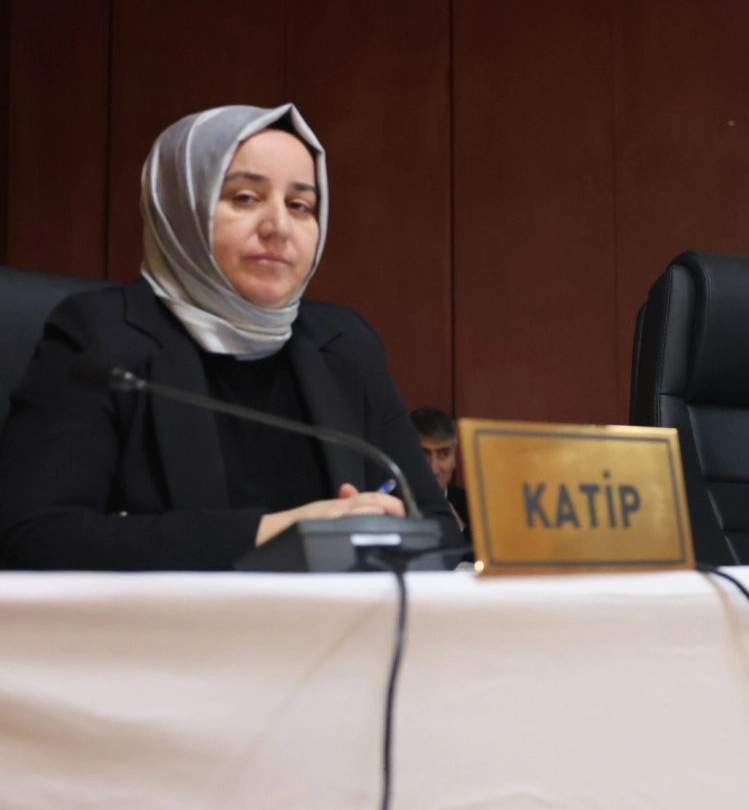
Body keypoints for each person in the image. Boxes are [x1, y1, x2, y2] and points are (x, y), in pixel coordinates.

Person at [0, 104, 462, 570]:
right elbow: (32, 534)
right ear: (180, 206)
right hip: (170, 619)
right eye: (245, 198)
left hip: (334, 617)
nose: (278, 227)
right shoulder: (102, 336)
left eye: (300, 206)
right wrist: (281, 531)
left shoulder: (345, 344)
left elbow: (438, 529)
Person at [411, 406, 470, 529]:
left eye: (443, 454)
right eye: (423, 454)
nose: (433, 469)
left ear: (454, 459)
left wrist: (460, 530)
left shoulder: (473, 507)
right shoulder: (384, 505)